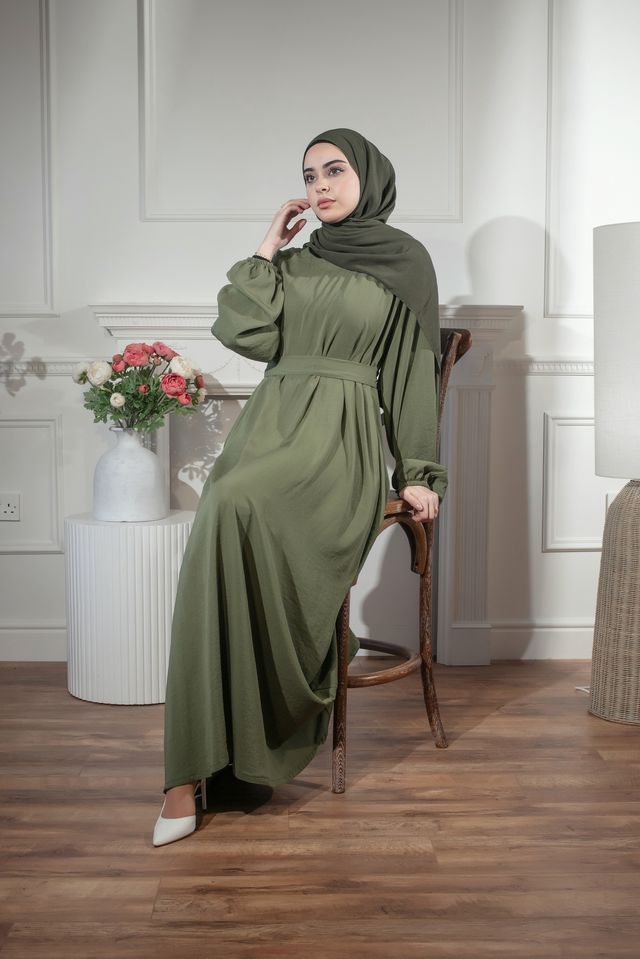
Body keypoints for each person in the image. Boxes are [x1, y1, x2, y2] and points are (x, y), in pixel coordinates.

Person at [152, 127, 448, 846]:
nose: (320, 186)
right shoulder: (294, 261)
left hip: (338, 439)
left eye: (334, 170)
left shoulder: (406, 262)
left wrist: (417, 471)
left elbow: (410, 372)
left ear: (369, 175)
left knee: (240, 505)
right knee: (226, 507)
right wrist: (266, 247)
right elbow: (243, 332)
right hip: (270, 428)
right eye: (310, 175)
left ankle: (255, 728)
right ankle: (188, 770)